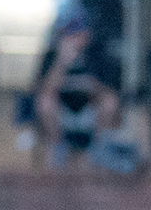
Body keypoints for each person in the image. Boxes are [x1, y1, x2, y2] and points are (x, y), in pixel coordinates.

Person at [33, 10, 122, 169]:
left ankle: (98, 151)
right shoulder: (52, 56)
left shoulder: (96, 54)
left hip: (91, 110)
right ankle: (58, 150)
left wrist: (91, 81)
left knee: (110, 102)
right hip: (62, 112)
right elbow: (43, 91)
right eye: (68, 35)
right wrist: (62, 63)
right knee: (44, 103)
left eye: (78, 34)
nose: (73, 40)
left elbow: (110, 92)